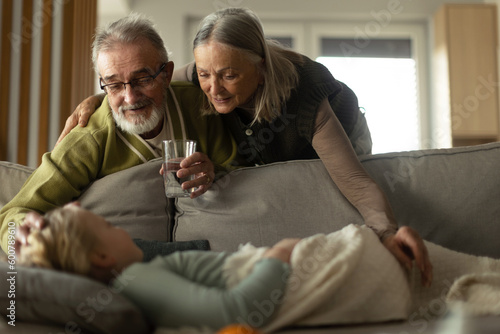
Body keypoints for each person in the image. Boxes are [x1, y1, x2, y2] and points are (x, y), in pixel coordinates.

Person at [61, 8, 432, 285]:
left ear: (261, 67)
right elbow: (143, 85)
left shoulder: (307, 98)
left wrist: (386, 232)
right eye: (205, 74)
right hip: (262, 137)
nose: (214, 88)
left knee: (331, 188)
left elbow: (357, 182)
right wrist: (93, 101)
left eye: (229, 75)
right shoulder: (204, 72)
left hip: (342, 129)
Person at [17, 203, 500, 332]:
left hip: (353, 250)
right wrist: (278, 255)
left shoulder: (137, 274)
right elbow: (242, 307)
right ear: (102, 257)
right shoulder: (139, 279)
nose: (116, 224)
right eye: (104, 223)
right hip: (322, 266)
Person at [0, 13, 239, 252]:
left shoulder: (198, 105)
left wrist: (213, 172)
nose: (130, 97)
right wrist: (28, 233)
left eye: (143, 79)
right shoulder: (90, 136)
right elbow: (13, 213)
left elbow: (240, 171)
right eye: (114, 85)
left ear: (166, 74)